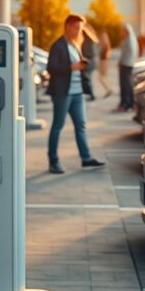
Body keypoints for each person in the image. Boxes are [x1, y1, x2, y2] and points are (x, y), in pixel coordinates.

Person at [46, 14, 106, 174]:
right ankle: (53, 161)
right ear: (67, 26)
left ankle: (86, 159)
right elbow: (51, 68)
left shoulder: (75, 44)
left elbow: (75, 66)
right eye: (77, 27)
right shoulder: (58, 46)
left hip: (77, 93)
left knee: (81, 126)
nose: (80, 31)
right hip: (62, 93)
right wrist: (71, 67)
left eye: (81, 28)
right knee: (58, 126)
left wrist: (81, 65)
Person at [116, 22, 138, 112]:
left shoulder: (128, 40)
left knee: (125, 85)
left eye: (123, 31)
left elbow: (127, 53)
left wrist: (121, 62)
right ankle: (129, 103)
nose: (121, 33)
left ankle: (125, 104)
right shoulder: (131, 39)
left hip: (126, 64)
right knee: (128, 84)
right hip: (128, 64)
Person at [81, 23, 100, 101]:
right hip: (94, 60)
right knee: (89, 78)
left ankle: (91, 94)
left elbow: (86, 52)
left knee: (88, 78)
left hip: (90, 61)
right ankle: (90, 94)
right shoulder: (93, 39)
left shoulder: (88, 40)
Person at [95, 26, 113, 99]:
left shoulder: (104, 41)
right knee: (103, 77)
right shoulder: (105, 41)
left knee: (101, 77)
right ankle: (108, 90)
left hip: (103, 60)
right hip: (103, 60)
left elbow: (103, 50)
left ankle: (109, 90)